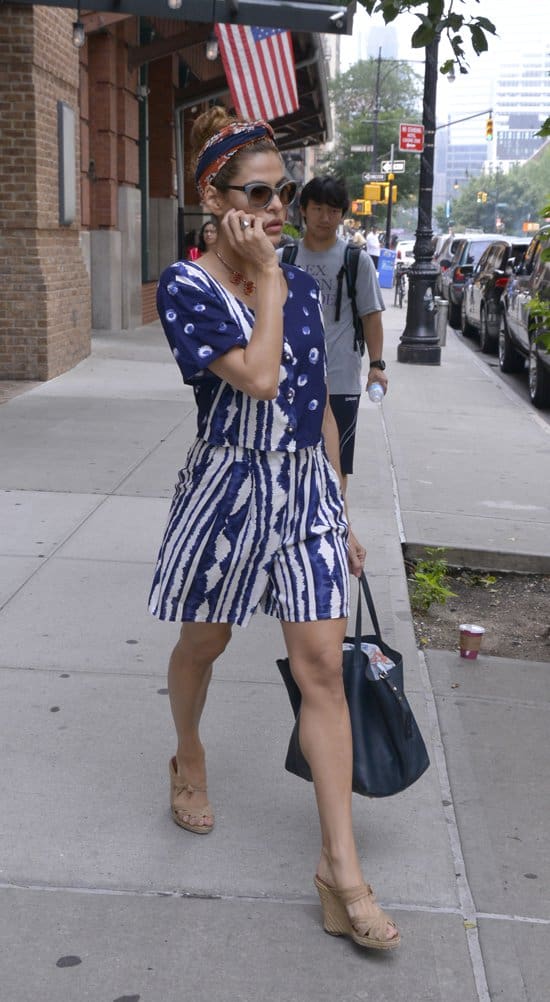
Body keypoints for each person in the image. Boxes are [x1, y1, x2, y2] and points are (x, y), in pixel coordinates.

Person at [150, 107, 399, 952]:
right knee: (205, 643)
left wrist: (339, 505)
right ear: (210, 197)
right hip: (227, 486)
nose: (277, 210)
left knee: (321, 664)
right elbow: (257, 379)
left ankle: (341, 869)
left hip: (301, 490)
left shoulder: (289, 279)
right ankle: (187, 752)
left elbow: (313, 407)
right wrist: (273, 283)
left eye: (283, 193)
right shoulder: (185, 287)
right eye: (258, 193)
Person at [278, 176, 387, 492]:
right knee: (288, 460)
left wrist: (377, 365)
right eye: (318, 209)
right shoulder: (283, 260)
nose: (325, 218)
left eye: (333, 210)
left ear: (343, 214)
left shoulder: (357, 261)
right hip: (290, 379)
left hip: (340, 377)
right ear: (303, 211)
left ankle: (336, 529)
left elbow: (371, 317)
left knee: (336, 465)